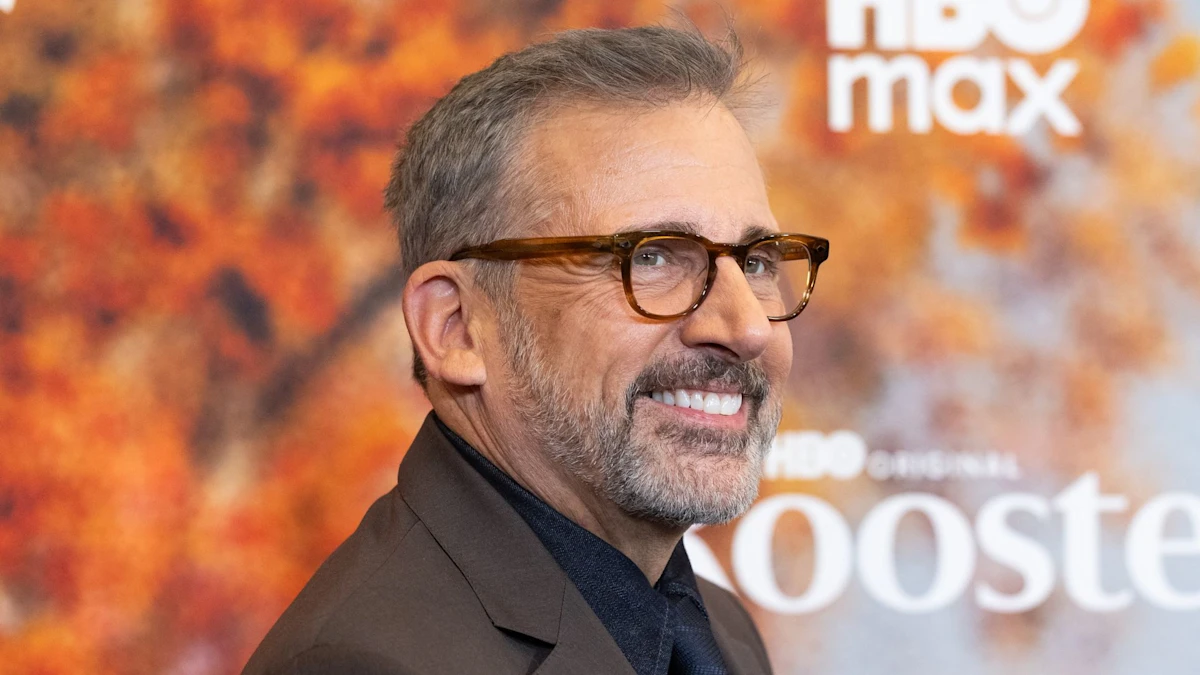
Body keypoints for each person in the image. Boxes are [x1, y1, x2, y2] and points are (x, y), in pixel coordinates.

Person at [243, 23, 828, 675]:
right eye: (653, 256)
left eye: (756, 262)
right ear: (455, 326)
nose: (747, 328)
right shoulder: (363, 663)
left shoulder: (714, 627)